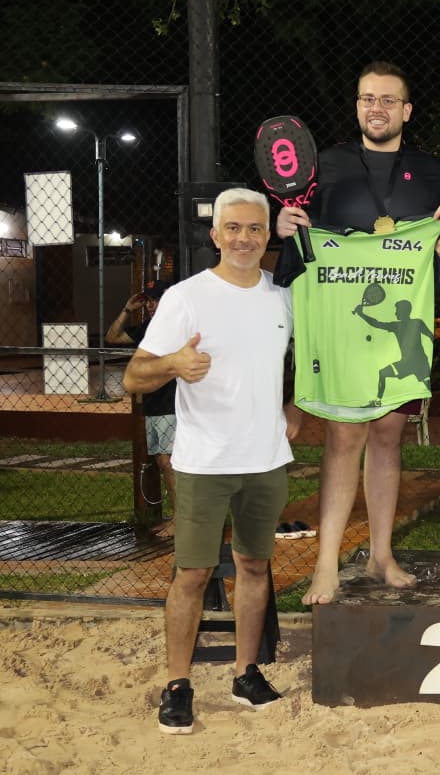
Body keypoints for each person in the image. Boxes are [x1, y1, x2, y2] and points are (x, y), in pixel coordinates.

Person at [275, 60, 440, 605]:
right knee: (343, 438)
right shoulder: (325, 165)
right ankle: (325, 565)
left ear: (406, 110)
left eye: (388, 100)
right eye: (367, 99)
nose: (376, 108)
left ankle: (382, 555)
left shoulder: (430, 172)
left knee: (387, 437)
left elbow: (439, 245)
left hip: (399, 329)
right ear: (357, 105)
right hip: (343, 322)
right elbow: (298, 232)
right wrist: (282, 225)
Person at [123, 189, 302, 734]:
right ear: (216, 234)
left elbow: (308, 361)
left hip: (266, 458)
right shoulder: (187, 297)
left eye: (254, 229)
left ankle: (247, 673)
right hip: (203, 461)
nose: (244, 238)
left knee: (252, 564)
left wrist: (293, 408)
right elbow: (134, 376)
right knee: (193, 573)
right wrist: (174, 362)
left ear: (268, 234)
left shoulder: (284, 298)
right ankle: (177, 683)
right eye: (234, 229)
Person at [106, 280, 177, 533]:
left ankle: (182, 520)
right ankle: (180, 518)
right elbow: (112, 337)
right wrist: (127, 309)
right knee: (162, 460)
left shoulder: (176, 327)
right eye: (147, 300)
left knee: (169, 461)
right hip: (154, 403)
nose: (149, 305)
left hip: (172, 402)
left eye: (154, 299)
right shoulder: (149, 328)